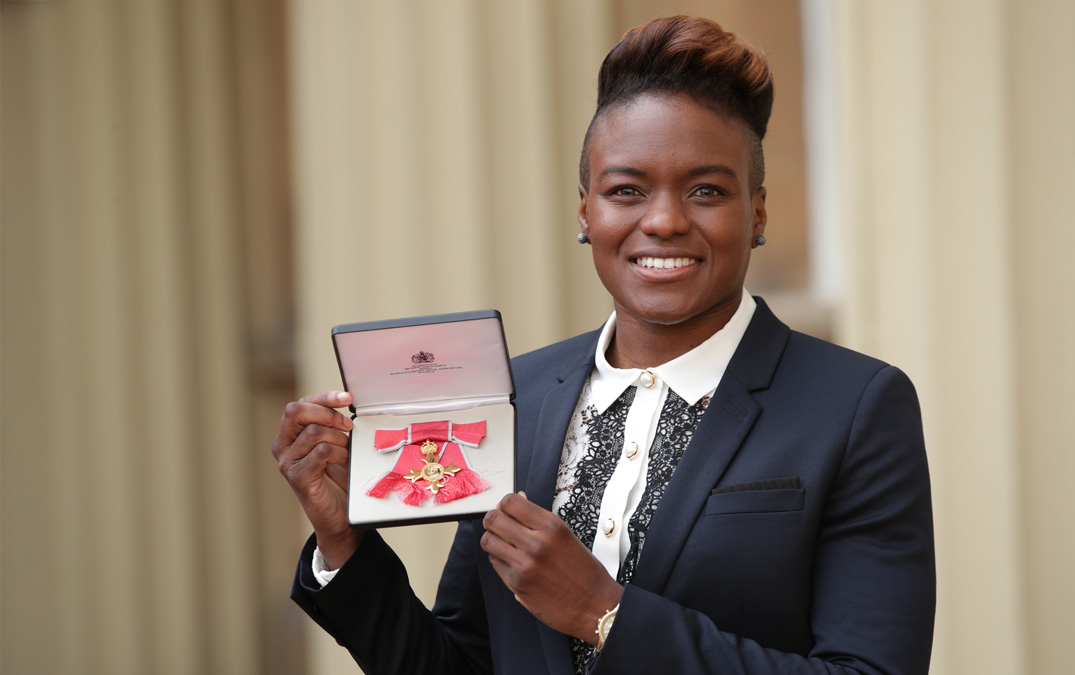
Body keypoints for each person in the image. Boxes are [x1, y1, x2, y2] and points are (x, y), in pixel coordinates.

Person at [272, 15, 935, 675]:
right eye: (627, 191)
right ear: (586, 211)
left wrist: (604, 613)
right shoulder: (519, 399)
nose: (665, 220)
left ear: (757, 212)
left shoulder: (855, 407)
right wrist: (343, 540)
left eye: (706, 190)